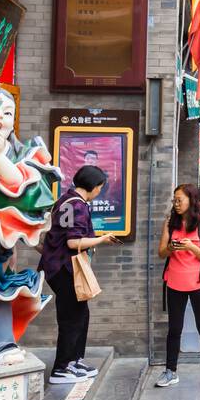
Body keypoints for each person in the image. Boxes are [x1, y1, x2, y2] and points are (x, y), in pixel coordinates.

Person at [39, 165, 119, 384]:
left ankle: (74, 360)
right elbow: (74, 242)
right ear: (94, 186)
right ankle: (61, 368)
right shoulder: (78, 206)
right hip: (65, 268)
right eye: (100, 187)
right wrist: (102, 239)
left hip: (60, 267)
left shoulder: (67, 200)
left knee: (80, 315)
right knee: (71, 318)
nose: (100, 192)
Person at [156, 184, 200, 388]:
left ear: (191, 201)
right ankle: (170, 371)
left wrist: (191, 246)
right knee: (174, 329)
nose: (175, 203)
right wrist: (171, 248)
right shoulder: (170, 223)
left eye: (179, 199)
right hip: (175, 281)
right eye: (174, 199)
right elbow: (161, 252)